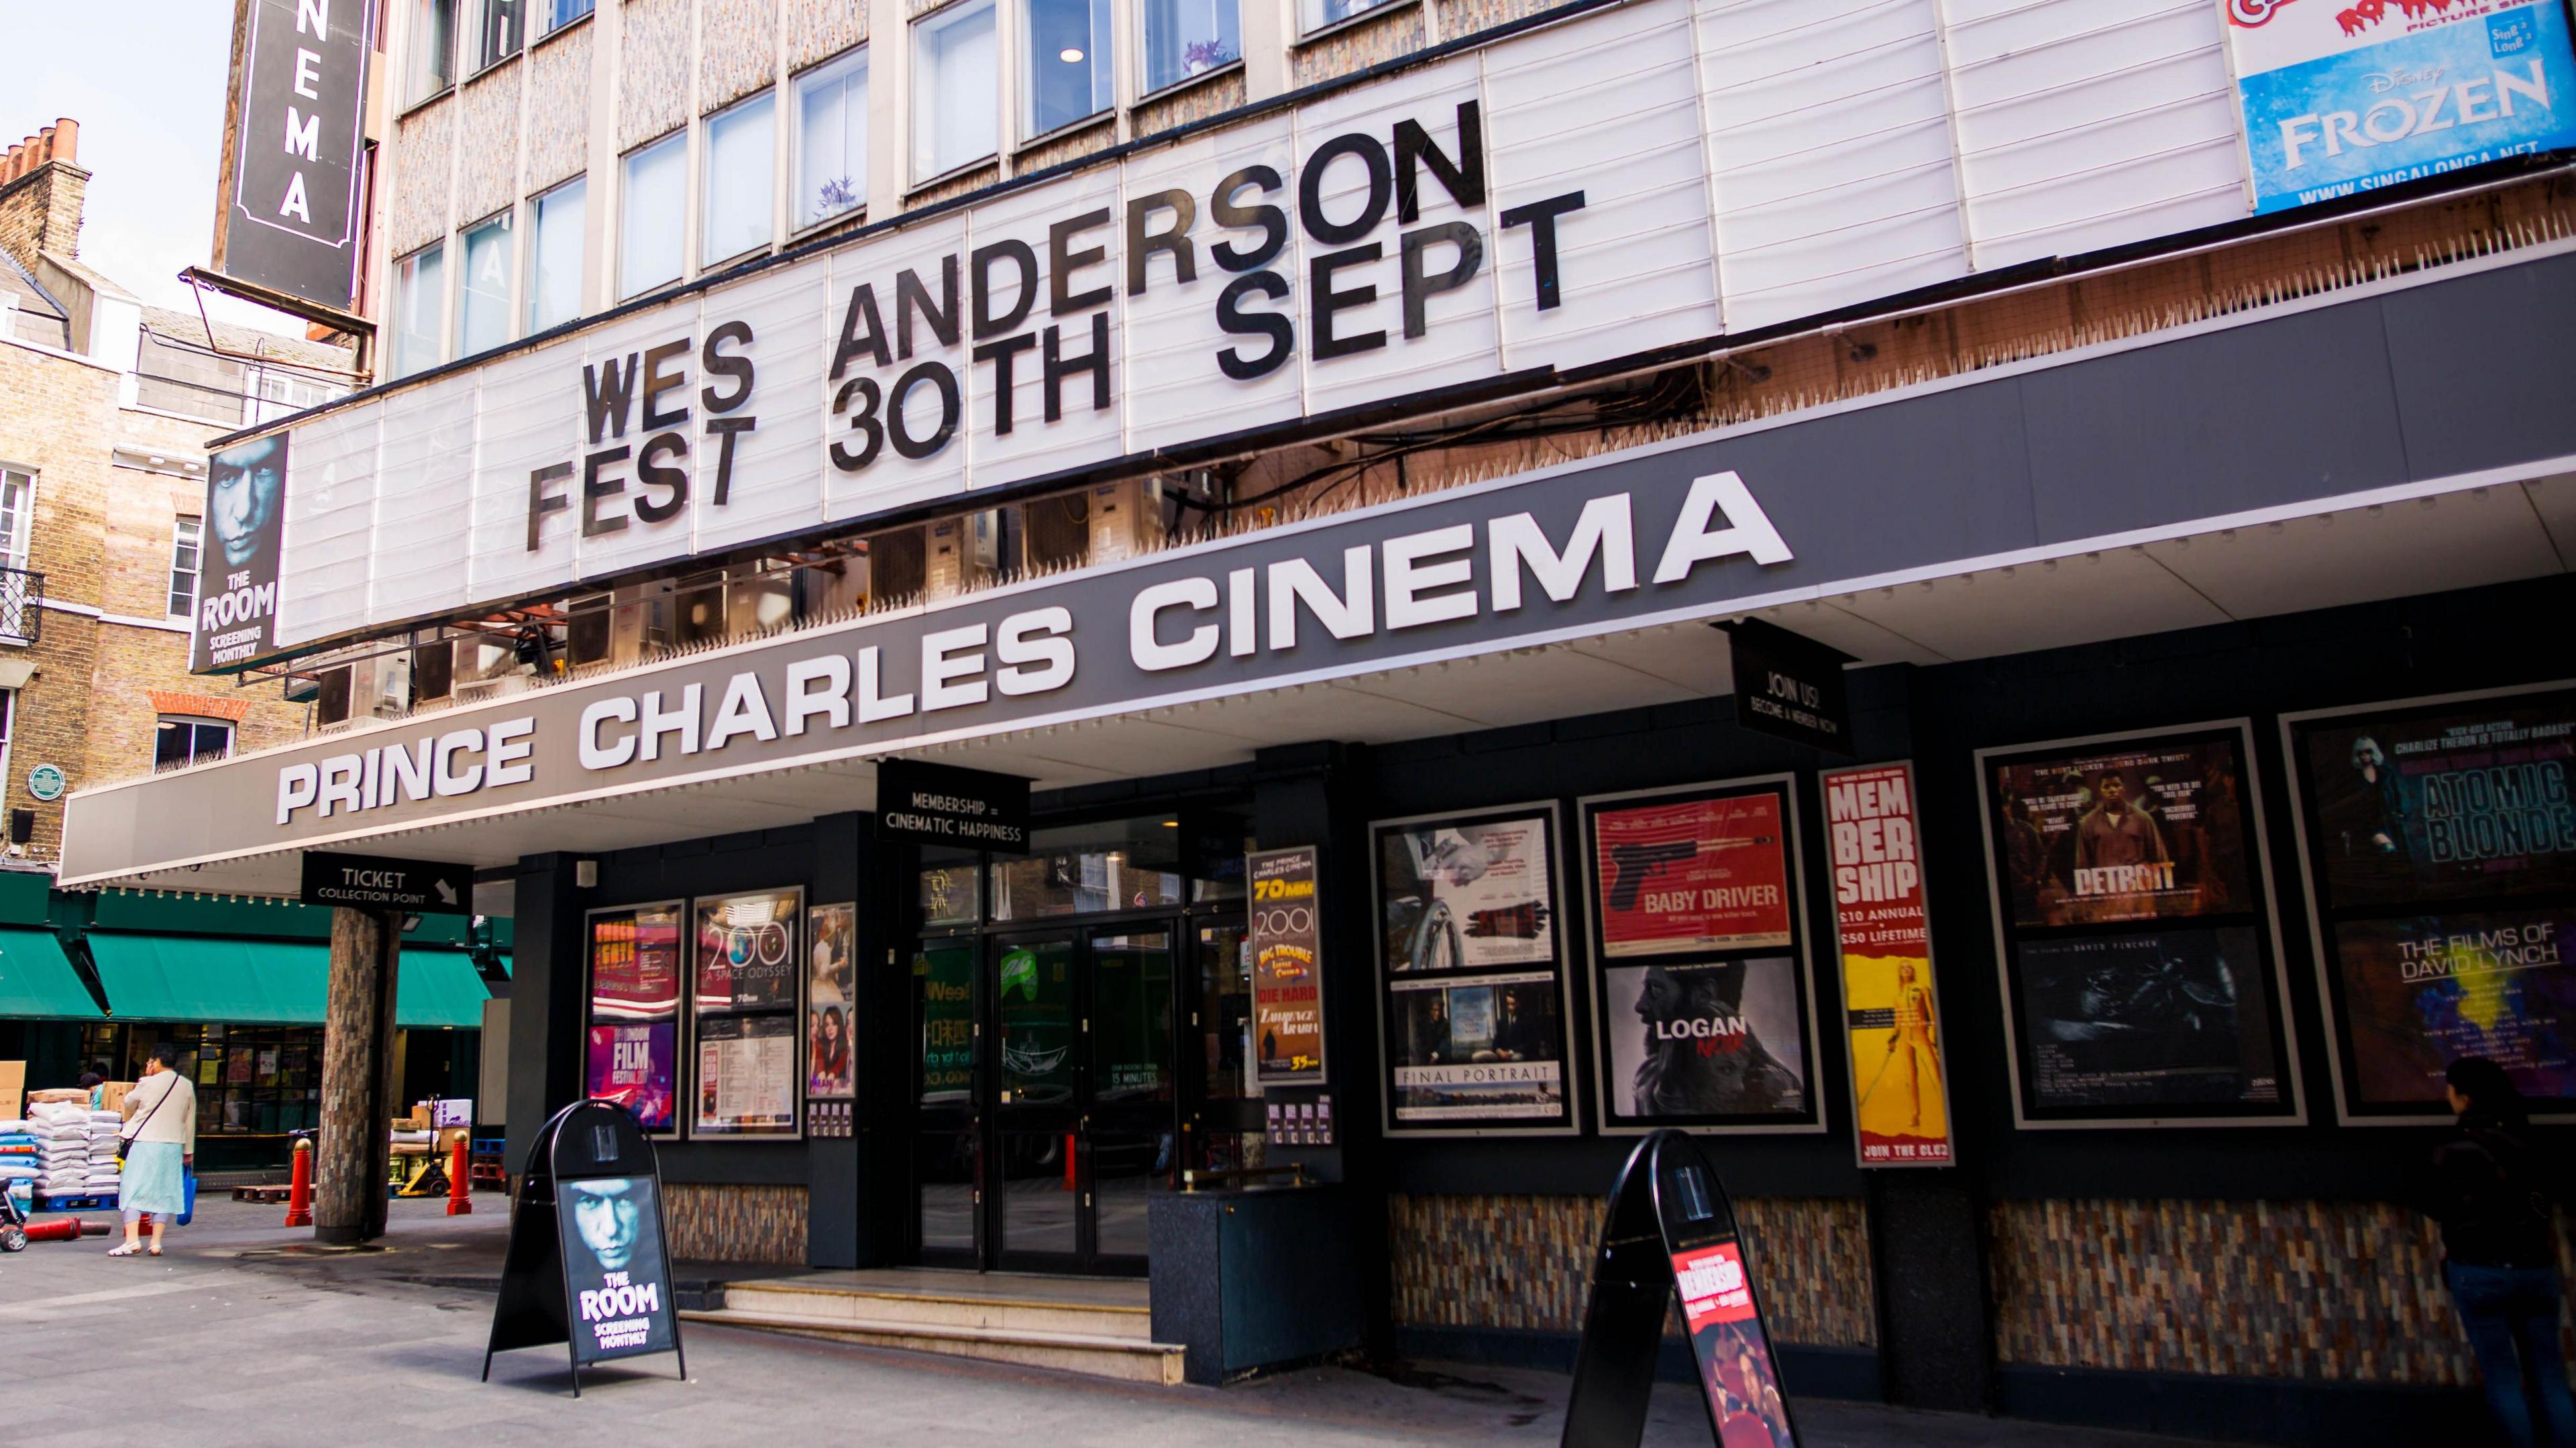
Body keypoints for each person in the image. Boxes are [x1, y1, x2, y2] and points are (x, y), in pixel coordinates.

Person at [2416, 1056, 2573, 1448]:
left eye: (2450, 1091)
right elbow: (2541, 1202)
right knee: (2551, 1377)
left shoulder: (2449, 1149)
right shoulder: (2528, 1142)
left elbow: (2434, 1206)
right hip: (2534, 1268)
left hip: (2478, 1270)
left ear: (2465, 1098)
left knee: (2503, 1381)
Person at [112, 1042, 196, 1258]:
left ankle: (132, 1240)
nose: (149, 1065)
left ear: (157, 1062)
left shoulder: (147, 1083)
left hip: (146, 1143)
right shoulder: (185, 1085)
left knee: (132, 1189)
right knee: (164, 1192)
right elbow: (189, 1120)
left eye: (150, 1062)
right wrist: (189, 1150)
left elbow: (128, 1103)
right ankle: (156, 1243)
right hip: (173, 1145)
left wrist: (146, 1077)